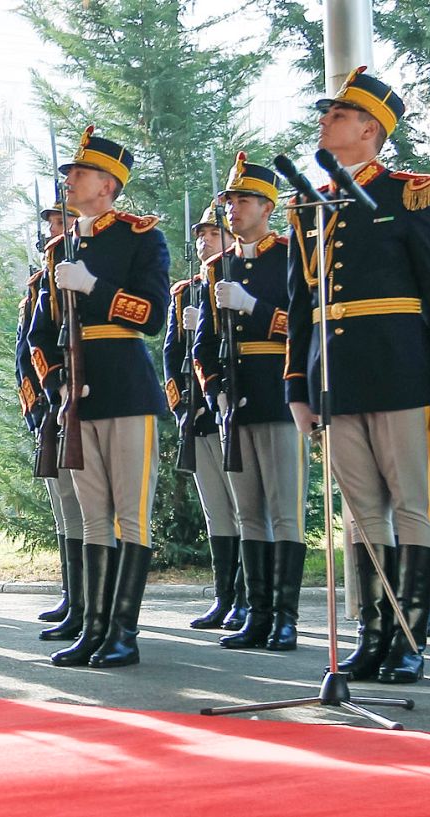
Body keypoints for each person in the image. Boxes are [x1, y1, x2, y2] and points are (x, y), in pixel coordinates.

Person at [285, 70, 430, 684]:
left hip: (402, 374)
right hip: (337, 379)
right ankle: (373, 635)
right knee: (363, 515)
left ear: (370, 129)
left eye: (337, 114)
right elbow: (302, 304)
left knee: (413, 507)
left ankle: (410, 637)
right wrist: (297, 387)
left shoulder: (410, 193)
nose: (324, 121)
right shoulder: (309, 203)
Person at [30, 128, 169, 668]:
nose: (70, 180)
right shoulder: (60, 249)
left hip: (127, 387)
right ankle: (91, 628)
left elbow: (153, 316)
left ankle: (122, 633)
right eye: (69, 173)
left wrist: (95, 288)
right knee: (92, 517)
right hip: (79, 392)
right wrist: (58, 380)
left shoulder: (140, 238)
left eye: (80, 173)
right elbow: (41, 334)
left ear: (108, 186)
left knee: (129, 515)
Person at [190, 154, 306, 650]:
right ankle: (256, 613)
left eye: (241, 201)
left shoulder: (290, 256)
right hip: (235, 399)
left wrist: (253, 307)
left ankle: (284, 616)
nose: (232, 209)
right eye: (230, 201)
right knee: (248, 512)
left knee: (283, 510)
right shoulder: (218, 267)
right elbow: (202, 343)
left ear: (266, 206)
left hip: (278, 391)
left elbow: (302, 327)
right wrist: (213, 389)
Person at [169, 203, 248, 634]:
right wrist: (183, 406)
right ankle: (224, 598)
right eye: (200, 235)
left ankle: (247, 597)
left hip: (227, 411)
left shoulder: (235, 278)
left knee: (242, 508)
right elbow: (170, 358)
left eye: (213, 235)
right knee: (217, 511)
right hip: (198, 418)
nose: (205, 242)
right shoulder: (185, 291)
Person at [26, 196, 88, 637]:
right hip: (51, 403)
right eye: (50, 222)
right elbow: (27, 352)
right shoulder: (38, 284)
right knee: (66, 508)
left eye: (60, 221)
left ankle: (89, 602)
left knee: (89, 508)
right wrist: (38, 402)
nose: (53, 229)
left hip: (82, 397)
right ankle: (73, 596)